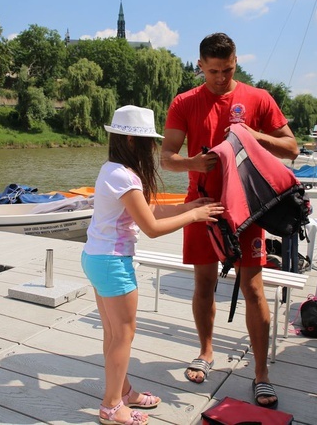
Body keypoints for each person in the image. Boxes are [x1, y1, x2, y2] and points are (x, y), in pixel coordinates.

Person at [160, 33, 299, 409]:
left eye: (228, 70)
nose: (221, 78)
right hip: (202, 206)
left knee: (253, 289)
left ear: (236, 61)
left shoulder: (258, 99)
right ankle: (206, 352)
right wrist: (192, 163)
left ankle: (260, 374)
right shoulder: (185, 102)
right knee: (203, 284)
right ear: (200, 65)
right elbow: (166, 158)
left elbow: (292, 148)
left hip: (249, 207)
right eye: (214, 71)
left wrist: (253, 135)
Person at [82, 105, 224, 425]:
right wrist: (195, 216)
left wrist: (188, 206)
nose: (153, 149)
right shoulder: (125, 176)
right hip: (113, 263)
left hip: (96, 257)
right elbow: (152, 229)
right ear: (133, 141)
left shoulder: (112, 169)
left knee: (113, 333)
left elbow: (149, 213)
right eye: (150, 143)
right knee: (123, 336)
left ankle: (123, 391)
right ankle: (111, 407)